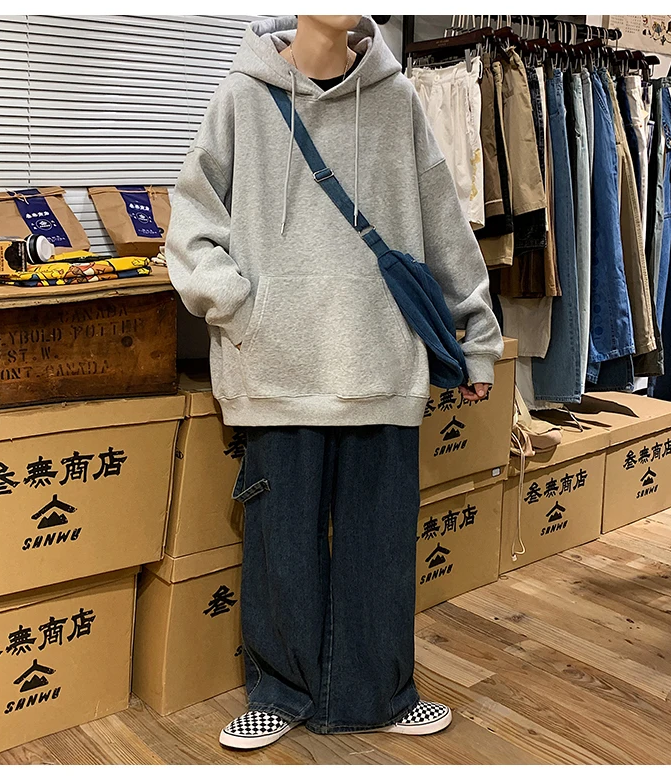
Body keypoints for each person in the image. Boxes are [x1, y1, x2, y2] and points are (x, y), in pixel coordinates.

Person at [166, 15, 503, 750]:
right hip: (276, 366)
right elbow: (190, 224)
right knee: (281, 544)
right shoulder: (242, 96)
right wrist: (242, 309)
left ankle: (379, 691)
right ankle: (280, 693)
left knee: (381, 544)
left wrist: (477, 337)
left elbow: (444, 225)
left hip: (381, 360)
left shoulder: (397, 99)